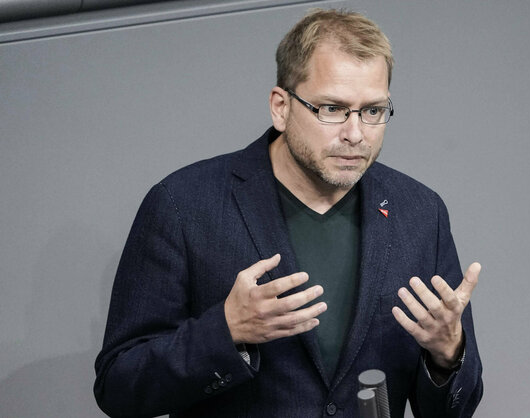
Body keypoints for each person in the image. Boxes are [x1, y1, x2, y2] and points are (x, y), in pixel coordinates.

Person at [94, 8, 483, 418]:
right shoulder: (183, 205)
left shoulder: (420, 213)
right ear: (281, 107)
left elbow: (454, 408)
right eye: (332, 108)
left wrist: (448, 353)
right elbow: (118, 386)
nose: (355, 133)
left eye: (372, 111)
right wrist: (224, 333)